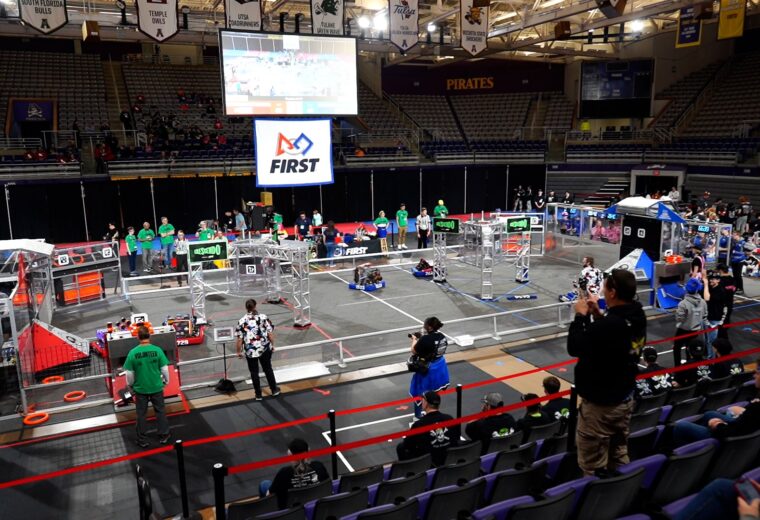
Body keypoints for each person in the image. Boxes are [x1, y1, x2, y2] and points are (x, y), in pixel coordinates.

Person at [567, 269, 646, 476]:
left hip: (601, 405)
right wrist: (598, 315)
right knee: (618, 452)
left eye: (605, 287)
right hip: (625, 398)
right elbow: (614, 335)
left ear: (612, 292)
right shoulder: (637, 315)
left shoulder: (610, 326)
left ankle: (599, 501)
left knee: (592, 464)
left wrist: (580, 316)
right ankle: (623, 492)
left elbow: (575, 346)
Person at [673, 359, 760, 447]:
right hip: (742, 428)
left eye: (757, 373)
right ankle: (700, 438)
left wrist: (718, 425)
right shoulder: (755, 406)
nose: (754, 376)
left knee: (680, 426)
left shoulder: (756, 408)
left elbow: (733, 431)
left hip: (731, 439)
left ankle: (693, 449)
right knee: (709, 414)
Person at [123, 326, 171, 448]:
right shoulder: (157, 350)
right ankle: (164, 435)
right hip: (156, 387)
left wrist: (131, 385)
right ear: (149, 336)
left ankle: (142, 439)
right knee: (160, 411)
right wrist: (166, 381)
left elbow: (129, 373)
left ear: (138, 337)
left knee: (141, 414)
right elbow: (164, 369)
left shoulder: (133, 353)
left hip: (140, 389)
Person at [259, 438, 330, 510]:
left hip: (292, 511)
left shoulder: (284, 473)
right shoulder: (319, 466)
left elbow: (269, 495)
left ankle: (264, 511)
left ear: (290, 455)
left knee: (264, 484)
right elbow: (327, 485)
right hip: (316, 506)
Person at [396, 391, 459, 467]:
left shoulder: (419, 425)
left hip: (429, 464)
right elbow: (456, 438)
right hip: (448, 460)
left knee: (401, 447)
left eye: (423, 400)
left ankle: (408, 473)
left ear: (426, 403)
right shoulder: (449, 419)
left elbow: (407, 445)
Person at [236, 298, 280, 401]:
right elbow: (270, 333)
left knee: (254, 372)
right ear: (255, 306)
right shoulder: (263, 318)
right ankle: (274, 390)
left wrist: (238, 351)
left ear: (246, 308)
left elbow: (239, 339)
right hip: (264, 348)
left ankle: (258, 394)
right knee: (268, 369)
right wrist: (272, 345)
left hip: (250, 351)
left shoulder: (242, 321)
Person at [409, 317, 449, 419]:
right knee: (434, 393)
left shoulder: (425, 339)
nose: (424, 326)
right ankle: (433, 414)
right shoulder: (442, 337)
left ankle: (418, 417)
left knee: (419, 393)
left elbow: (414, 350)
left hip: (428, 370)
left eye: (425, 325)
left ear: (429, 327)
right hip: (440, 367)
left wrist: (414, 339)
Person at [674, 278, 708, 367]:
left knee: (677, 348)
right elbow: (705, 315)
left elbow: (679, 319)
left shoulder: (683, 303)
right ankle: (691, 367)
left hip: (683, 329)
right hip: (695, 329)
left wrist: (677, 313)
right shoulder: (703, 302)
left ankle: (677, 368)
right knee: (691, 349)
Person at [704, 270, 727, 357]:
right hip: (708, 318)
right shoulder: (712, 288)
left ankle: (711, 360)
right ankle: (710, 356)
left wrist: (706, 284)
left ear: (718, 280)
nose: (711, 280)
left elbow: (707, 298)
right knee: (707, 340)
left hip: (714, 319)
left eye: (713, 279)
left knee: (712, 341)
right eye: (710, 279)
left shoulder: (720, 290)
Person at [717, 263, 737, 339]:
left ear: (721, 270)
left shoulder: (720, 280)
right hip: (730, 302)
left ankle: (721, 335)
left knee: (720, 321)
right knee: (727, 318)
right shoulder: (733, 279)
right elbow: (734, 290)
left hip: (721, 303)